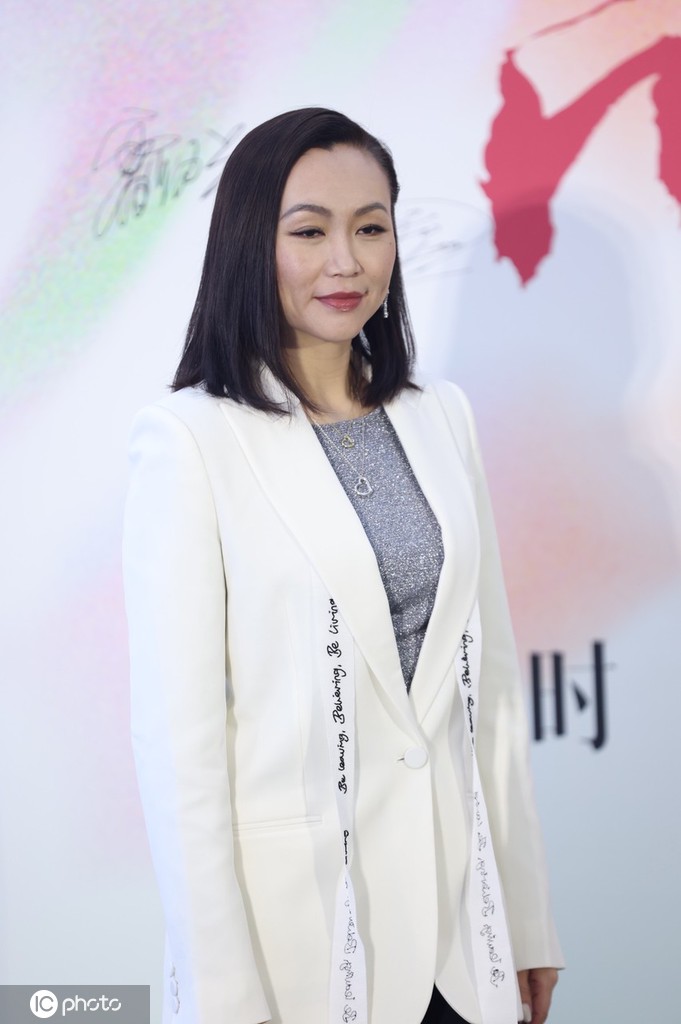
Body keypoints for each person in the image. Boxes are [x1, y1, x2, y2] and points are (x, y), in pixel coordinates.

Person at [123, 107, 564, 1024]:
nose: (346, 262)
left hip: (462, 940)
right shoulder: (191, 441)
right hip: (300, 950)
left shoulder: (440, 416)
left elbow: (489, 696)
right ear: (250, 243)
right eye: (309, 231)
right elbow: (182, 754)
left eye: (370, 228)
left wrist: (523, 919)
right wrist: (223, 996)